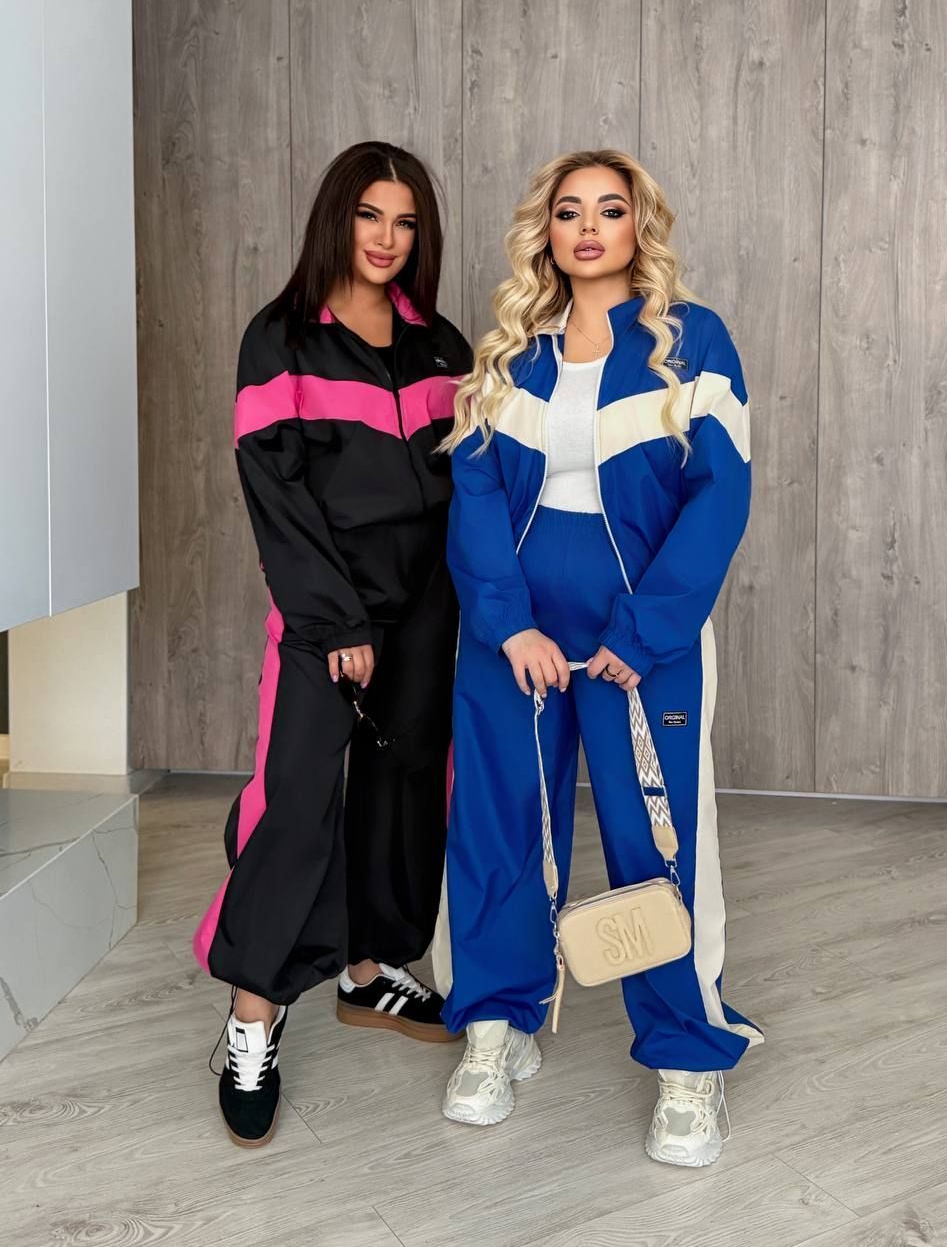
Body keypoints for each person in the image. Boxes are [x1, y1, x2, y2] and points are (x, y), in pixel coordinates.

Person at [435, 149, 765, 1167]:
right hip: (512, 635)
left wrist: (640, 633)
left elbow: (720, 495)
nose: (587, 228)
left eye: (608, 210)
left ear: (636, 226)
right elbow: (474, 495)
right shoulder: (510, 351)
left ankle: (686, 1059)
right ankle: (497, 1024)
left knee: (652, 840)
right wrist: (507, 624)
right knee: (498, 821)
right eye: (569, 210)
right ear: (545, 229)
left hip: (639, 638)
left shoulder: (691, 341)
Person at [193, 141, 472, 1148]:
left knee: (404, 790)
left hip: (426, 606)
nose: (386, 238)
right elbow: (274, 491)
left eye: (405, 222)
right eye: (369, 216)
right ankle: (252, 1017)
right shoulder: (281, 339)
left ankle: (369, 971)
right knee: (298, 798)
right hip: (328, 614)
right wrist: (336, 622)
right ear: (336, 220)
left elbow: (464, 482)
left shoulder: (439, 345)